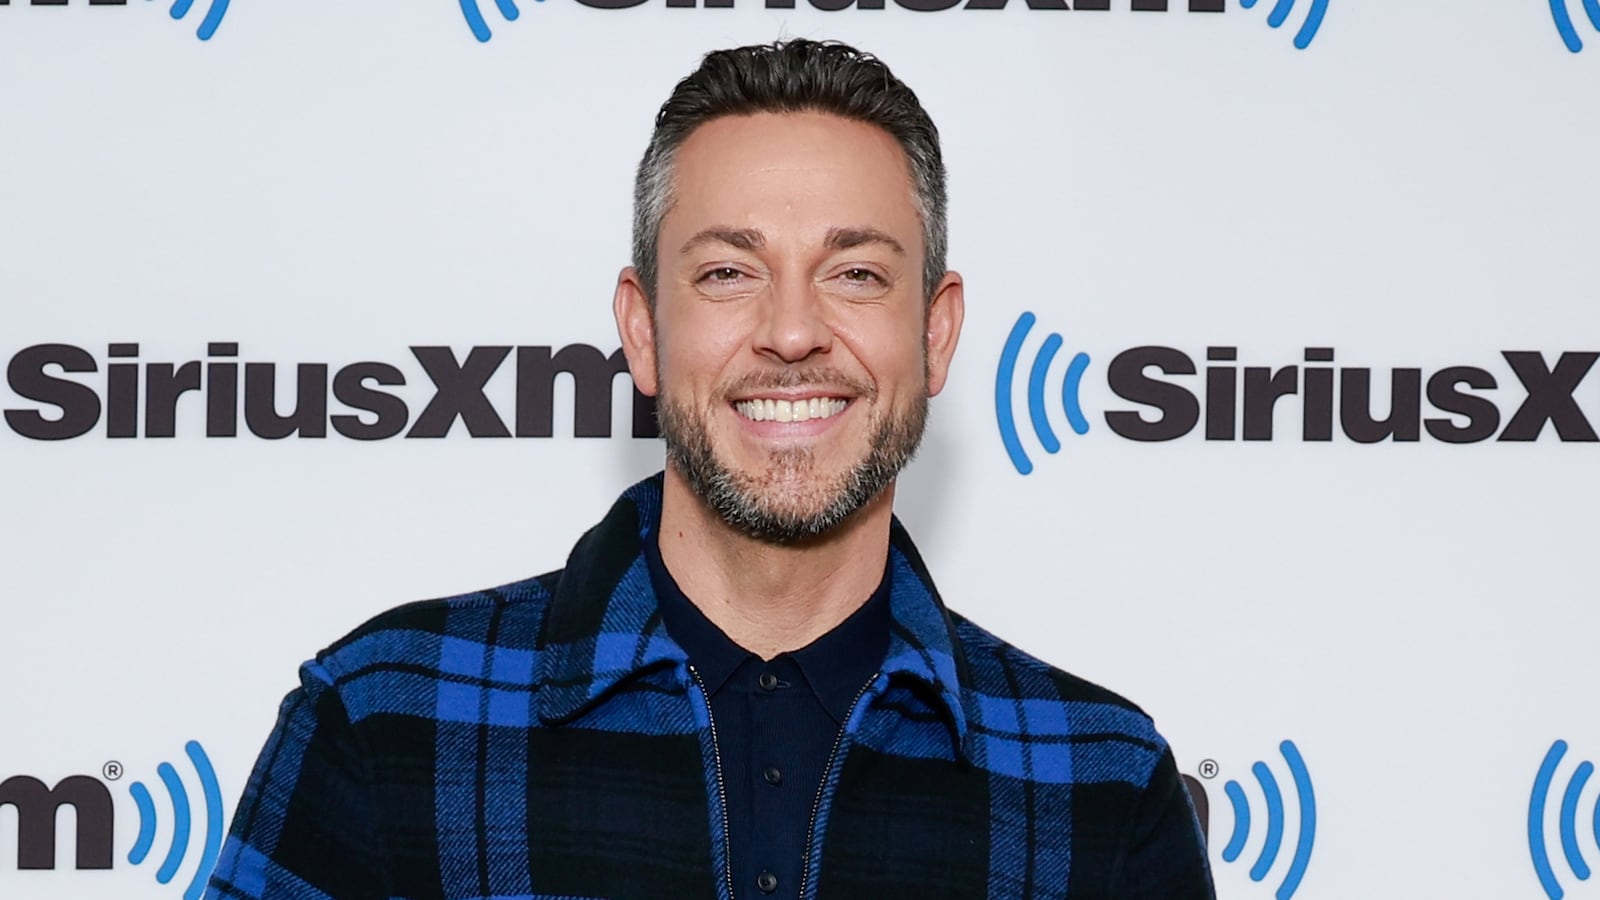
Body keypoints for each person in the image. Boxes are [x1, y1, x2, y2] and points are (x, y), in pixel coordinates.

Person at [204, 39, 1215, 900]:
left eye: (856, 273)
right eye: (729, 272)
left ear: (936, 332)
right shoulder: (386, 722)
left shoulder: (1103, 789)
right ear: (644, 330)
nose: (791, 331)